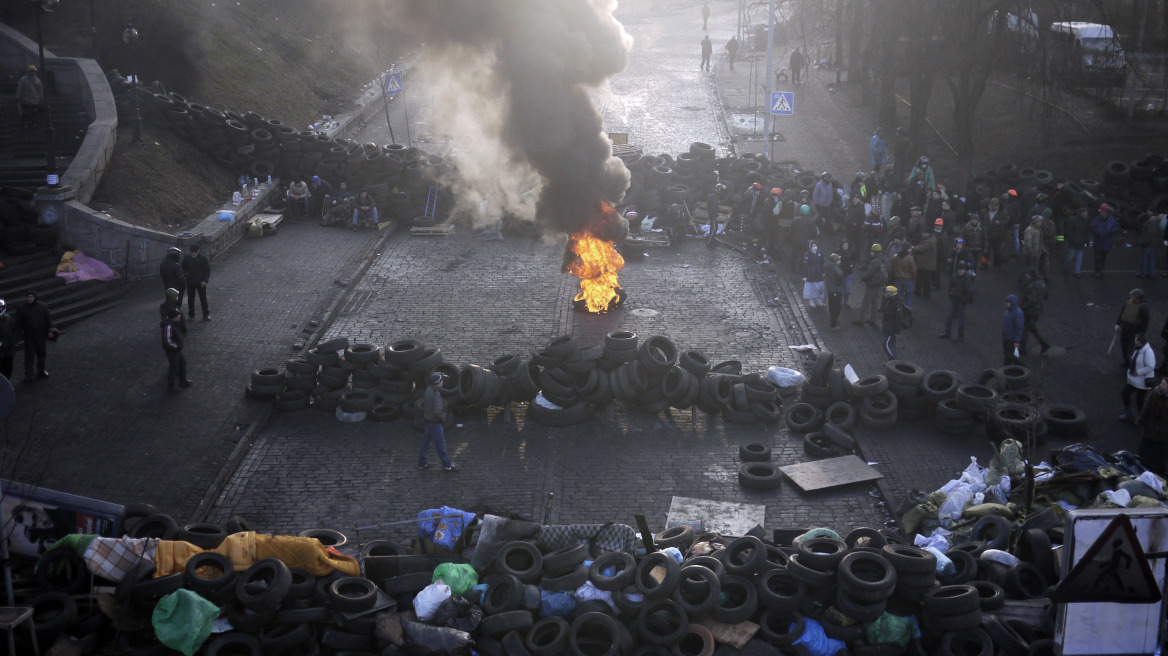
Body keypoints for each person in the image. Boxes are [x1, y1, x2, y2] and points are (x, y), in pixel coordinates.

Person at [420, 373, 459, 471]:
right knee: (441, 445)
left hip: (427, 421)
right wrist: (444, 417)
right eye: (441, 380)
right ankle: (447, 465)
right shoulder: (436, 395)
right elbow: (437, 411)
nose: (442, 382)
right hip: (435, 423)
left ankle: (421, 463)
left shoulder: (428, 390)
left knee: (425, 443)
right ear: (438, 383)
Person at [18, 292, 53, 384]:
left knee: (41, 352)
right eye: (28, 296)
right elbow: (18, 322)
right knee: (29, 355)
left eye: (31, 297)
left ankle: (41, 369)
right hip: (28, 335)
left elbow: (48, 319)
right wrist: (18, 334)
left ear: (35, 298)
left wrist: (50, 330)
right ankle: (28, 374)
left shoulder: (42, 306)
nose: (29, 298)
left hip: (40, 335)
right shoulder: (21, 308)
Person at [1121, 334, 1156, 421]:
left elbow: (1151, 366)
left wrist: (1138, 372)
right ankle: (1129, 413)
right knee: (1125, 393)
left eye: (1136, 339)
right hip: (1135, 379)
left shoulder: (1148, 352)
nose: (1134, 340)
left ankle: (1142, 418)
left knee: (1139, 400)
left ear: (1139, 342)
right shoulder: (1139, 349)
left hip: (1142, 381)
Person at [1136, 378, 1168, 475]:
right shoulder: (1155, 393)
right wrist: (1141, 419)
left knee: (1161, 450)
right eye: (1161, 383)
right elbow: (1147, 405)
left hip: (1163, 431)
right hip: (1151, 426)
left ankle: (1160, 468)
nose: (1161, 385)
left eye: (1163, 384)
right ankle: (1141, 464)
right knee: (1145, 447)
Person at [1018, 268, 1050, 356]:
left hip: (1029, 311)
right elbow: (1046, 295)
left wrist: (1021, 307)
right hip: (1037, 310)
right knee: (1032, 327)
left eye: (1027, 274)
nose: (1025, 275)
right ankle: (1044, 344)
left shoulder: (1031, 285)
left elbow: (1031, 300)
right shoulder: (1041, 283)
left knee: (1025, 329)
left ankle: (1022, 349)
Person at [855, 243, 888, 327]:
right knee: (876, 303)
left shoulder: (874, 261)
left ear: (874, 252)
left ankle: (861, 320)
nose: (870, 253)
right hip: (880, 285)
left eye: (871, 251)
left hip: (873, 284)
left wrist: (863, 278)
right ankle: (873, 320)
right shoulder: (883, 259)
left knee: (866, 302)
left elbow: (870, 273)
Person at [160, 308, 192, 394]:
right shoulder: (169, 326)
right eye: (178, 316)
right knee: (173, 368)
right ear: (174, 317)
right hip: (173, 351)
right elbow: (167, 341)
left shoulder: (173, 323)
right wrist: (176, 346)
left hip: (176, 350)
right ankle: (171, 387)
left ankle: (182, 380)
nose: (180, 317)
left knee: (182, 364)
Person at [1117, 288, 1151, 367]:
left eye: (1132, 295)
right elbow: (1122, 313)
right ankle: (1126, 360)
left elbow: (1145, 322)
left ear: (1137, 297)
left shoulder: (1143, 307)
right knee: (1124, 345)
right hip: (1125, 327)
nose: (1131, 296)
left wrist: (1141, 333)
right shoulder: (1128, 303)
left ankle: (1131, 362)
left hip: (1134, 330)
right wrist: (1118, 323)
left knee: (1131, 347)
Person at [939, 266, 974, 341]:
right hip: (954, 299)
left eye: (962, 270)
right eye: (960, 270)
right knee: (949, 316)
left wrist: (963, 299)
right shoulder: (955, 276)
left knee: (961, 318)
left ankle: (960, 336)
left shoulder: (966, 279)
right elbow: (951, 286)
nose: (961, 271)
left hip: (961, 300)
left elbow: (969, 291)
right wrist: (951, 295)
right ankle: (947, 333)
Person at [181, 245, 211, 321]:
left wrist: (205, 280)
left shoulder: (203, 259)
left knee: (203, 299)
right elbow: (183, 268)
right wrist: (185, 274)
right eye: (192, 252)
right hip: (190, 282)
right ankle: (191, 315)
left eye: (194, 252)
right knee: (190, 299)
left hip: (201, 282)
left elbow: (207, 270)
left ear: (198, 251)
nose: (193, 254)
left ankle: (205, 314)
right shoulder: (186, 259)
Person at [1089, 204, 1119, 278]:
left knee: (1103, 258)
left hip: (1106, 242)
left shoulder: (1111, 220)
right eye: (1100, 212)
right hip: (1098, 241)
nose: (1101, 213)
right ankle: (1097, 271)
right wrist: (1097, 232)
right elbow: (1092, 227)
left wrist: (1111, 231)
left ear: (1106, 212)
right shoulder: (1096, 219)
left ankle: (1101, 270)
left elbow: (1116, 227)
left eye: (1102, 212)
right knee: (1097, 258)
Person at [912, 227, 938, 299]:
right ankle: (922, 293)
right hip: (927, 264)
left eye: (923, 233)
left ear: (927, 234)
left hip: (925, 264)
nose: (922, 234)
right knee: (925, 280)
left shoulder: (929, 242)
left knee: (924, 280)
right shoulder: (931, 239)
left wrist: (913, 248)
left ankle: (922, 293)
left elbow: (921, 248)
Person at [880, 286, 905, 360]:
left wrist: (897, 331)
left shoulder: (897, 304)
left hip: (891, 328)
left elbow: (898, 318)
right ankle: (892, 362)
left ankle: (894, 362)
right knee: (891, 345)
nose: (884, 295)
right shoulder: (890, 301)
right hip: (887, 326)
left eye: (886, 294)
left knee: (886, 344)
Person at [1064, 206, 1090, 277]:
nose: (1085, 214)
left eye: (1086, 213)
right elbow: (1069, 230)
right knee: (1072, 257)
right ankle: (1069, 269)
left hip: (1078, 242)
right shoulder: (1076, 220)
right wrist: (1073, 238)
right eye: (1084, 213)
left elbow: (1085, 232)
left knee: (1078, 258)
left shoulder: (1079, 220)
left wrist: (1087, 240)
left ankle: (1076, 271)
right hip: (1075, 242)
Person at [1139, 213, 1164, 279]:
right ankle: (1151, 273)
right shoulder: (1155, 223)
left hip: (1148, 243)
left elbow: (1148, 235)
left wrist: (1143, 242)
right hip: (1152, 243)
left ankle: (1143, 274)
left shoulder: (1151, 222)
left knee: (1145, 259)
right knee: (1151, 259)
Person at [801, 240, 825, 308]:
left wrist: (823, 272)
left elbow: (823, 262)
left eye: (815, 245)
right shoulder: (807, 255)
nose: (815, 247)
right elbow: (805, 266)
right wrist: (804, 275)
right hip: (810, 274)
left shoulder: (820, 253)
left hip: (819, 273)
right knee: (811, 287)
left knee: (819, 287)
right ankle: (811, 300)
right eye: (813, 246)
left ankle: (818, 300)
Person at [1002, 294, 1024, 366]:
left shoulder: (1018, 314)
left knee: (1009, 355)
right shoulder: (1008, 311)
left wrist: (1017, 341)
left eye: (1007, 302)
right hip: (1006, 337)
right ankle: (1006, 369)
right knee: (1007, 355)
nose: (1005, 303)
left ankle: (1022, 365)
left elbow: (1019, 328)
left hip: (1011, 339)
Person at [825, 253, 845, 329]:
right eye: (838, 260)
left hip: (831, 290)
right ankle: (833, 324)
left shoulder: (828, 267)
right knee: (836, 307)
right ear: (835, 261)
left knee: (831, 306)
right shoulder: (836, 268)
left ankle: (833, 320)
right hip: (836, 291)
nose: (840, 261)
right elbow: (840, 278)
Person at [0, 300, 16, 381]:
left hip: (9, 350)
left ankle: (7, 385)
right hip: (0, 350)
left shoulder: (9, 318)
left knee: (8, 369)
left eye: (0, 308)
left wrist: (12, 343)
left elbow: (13, 331)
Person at [839, 240, 858, 306]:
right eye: (844, 245)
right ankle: (840, 302)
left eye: (846, 245)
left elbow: (854, 260)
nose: (845, 246)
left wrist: (852, 264)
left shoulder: (851, 252)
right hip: (841, 273)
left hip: (848, 273)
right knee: (840, 289)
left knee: (847, 289)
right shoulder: (838, 252)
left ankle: (846, 301)